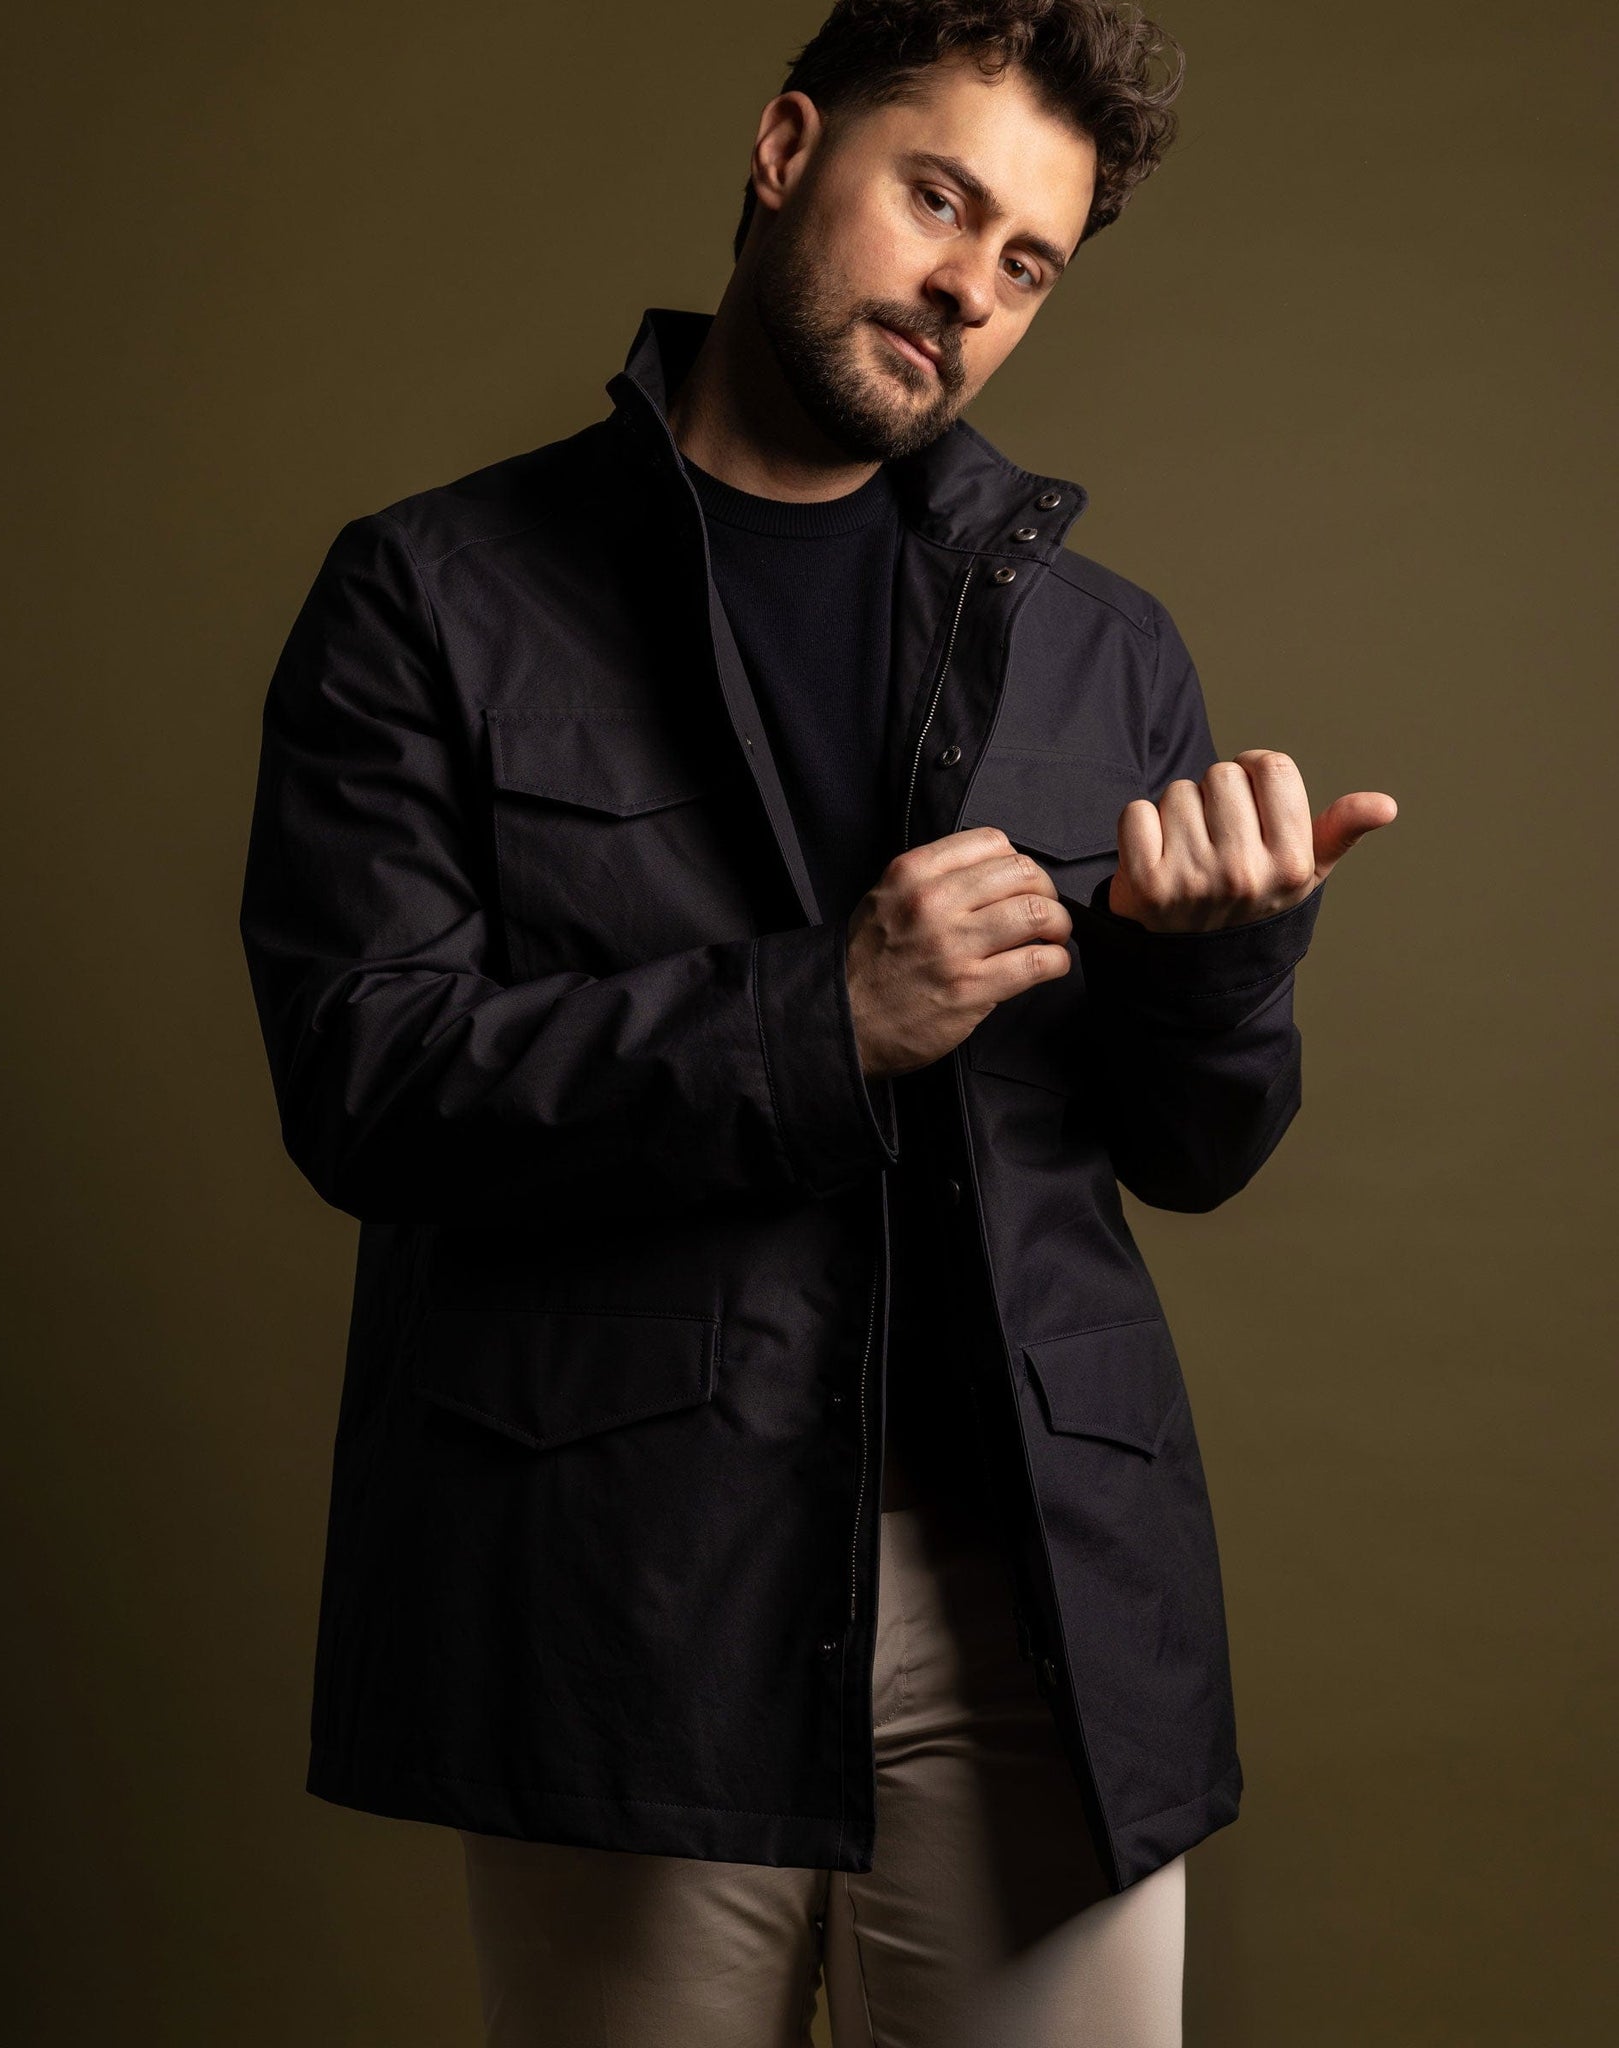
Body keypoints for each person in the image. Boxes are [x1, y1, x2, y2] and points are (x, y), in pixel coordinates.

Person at [238, 2, 1396, 2041]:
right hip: (626, 1596)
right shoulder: (434, 597)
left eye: (1026, 261)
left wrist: (1215, 964)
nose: (967, 287)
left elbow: (1198, 1152)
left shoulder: (1105, 646)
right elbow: (367, 1081)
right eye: (936, 199)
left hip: (1039, 1598)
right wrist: (820, 1018)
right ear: (786, 149)